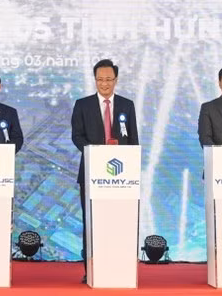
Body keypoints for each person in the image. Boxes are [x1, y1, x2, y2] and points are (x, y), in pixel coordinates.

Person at [71, 59, 138, 283]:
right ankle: (90, 269)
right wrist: (96, 153)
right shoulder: (83, 104)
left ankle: (118, 266)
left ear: (116, 80)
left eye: (109, 79)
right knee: (92, 222)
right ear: (95, 80)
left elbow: (133, 139)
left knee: (118, 222)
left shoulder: (127, 105)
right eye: (100, 80)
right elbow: (76, 136)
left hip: (121, 177)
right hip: (91, 173)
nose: (105, 84)